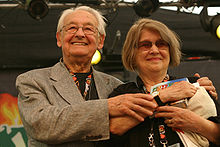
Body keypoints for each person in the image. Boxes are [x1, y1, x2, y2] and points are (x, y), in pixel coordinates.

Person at [15, 6, 218, 147]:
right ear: (59, 38)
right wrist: (108, 106)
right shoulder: (32, 80)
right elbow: (43, 125)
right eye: (71, 28)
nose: (80, 34)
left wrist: (197, 91)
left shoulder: (114, 85)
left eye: (88, 29)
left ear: (100, 40)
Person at [99, 18, 220, 147]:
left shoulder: (192, 84)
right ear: (133, 53)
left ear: (170, 50)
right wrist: (161, 97)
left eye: (161, 44)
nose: (154, 50)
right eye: (146, 45)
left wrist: (195, 122)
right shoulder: (123, 93)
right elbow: (113, 130)